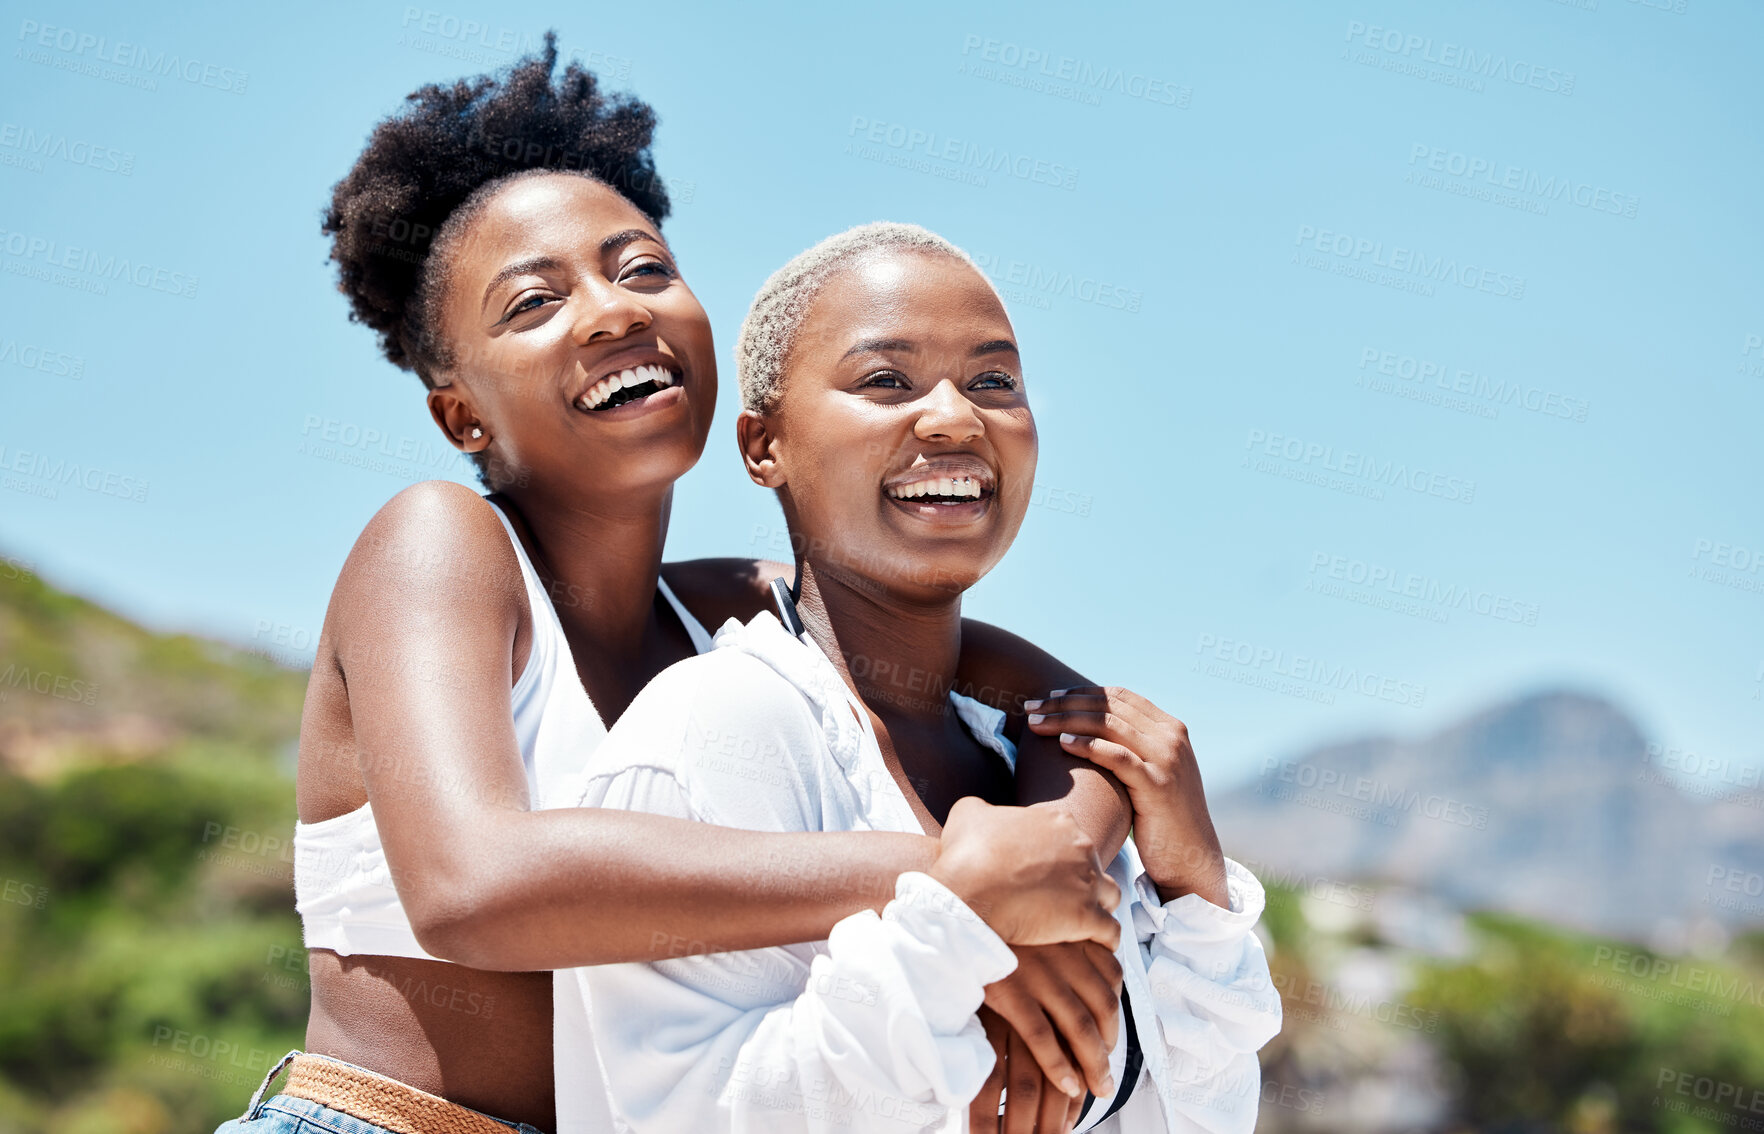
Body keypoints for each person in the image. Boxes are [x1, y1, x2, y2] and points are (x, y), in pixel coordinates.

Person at [222, 38, 1139, 1134]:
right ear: (461, 414)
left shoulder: (725, 612)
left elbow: (1070, 713)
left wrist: (1056, 851)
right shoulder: (439, 545)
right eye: (532, 304)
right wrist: (947, 878)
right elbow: (475, 889)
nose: (614, 311)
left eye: (642, 267)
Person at [560, 223, 1281, 1133]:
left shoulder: (1060, 785)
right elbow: (686, 1115)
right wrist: (950, 928)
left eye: (994, 381)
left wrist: (1191, 896)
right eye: (885, 381)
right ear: (763, 446)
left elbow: (1190, 1117)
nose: (954, 418)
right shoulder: (720, 728)